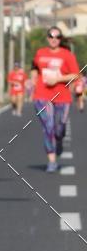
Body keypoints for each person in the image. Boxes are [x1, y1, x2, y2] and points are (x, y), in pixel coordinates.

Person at [31, 26, 79, 172]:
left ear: (60, 39)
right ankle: (52, 161)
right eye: (51, 36)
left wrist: (59, 78)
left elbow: (76, 75)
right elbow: (34, 67)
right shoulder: (40, 53)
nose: (54, 39)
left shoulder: (67, 55)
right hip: (41, 95)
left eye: (57, 37)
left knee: (59, 128)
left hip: (62, 96)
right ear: (47, 38)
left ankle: (59, 139)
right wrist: (33, 77)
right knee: (48, 127)